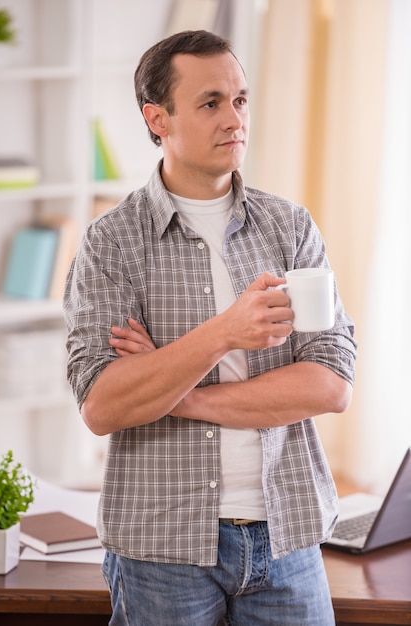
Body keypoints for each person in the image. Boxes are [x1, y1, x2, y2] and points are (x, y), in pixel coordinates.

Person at [63, 30, 357, 626]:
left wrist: (173, 391)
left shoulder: (290, 227)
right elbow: (103, 405)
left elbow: (330, 385)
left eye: (241, 100)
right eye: (210, 102)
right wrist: (223, 333)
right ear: (158, 118)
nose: (234, 118)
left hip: (288, 534)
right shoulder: (111, 242)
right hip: (159, 547)